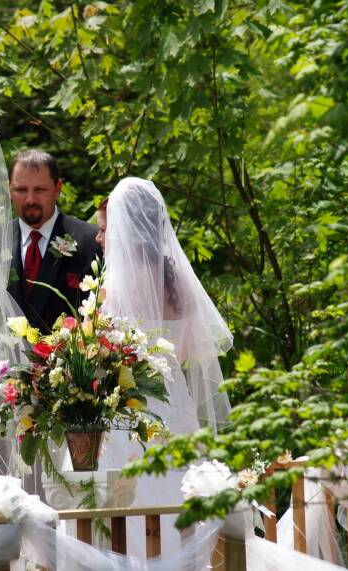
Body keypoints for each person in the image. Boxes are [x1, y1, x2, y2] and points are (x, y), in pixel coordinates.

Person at [97, 177, 233, 556]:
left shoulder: (115, 286)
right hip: (176, 404)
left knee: (129, 501)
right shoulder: (179, 281)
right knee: (181, 491)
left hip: (131, 411)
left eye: (106, 228)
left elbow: (104, 354)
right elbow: (186, 352)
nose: (101, 237)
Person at [7, 150, 102, 333]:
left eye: (40, 190)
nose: (30, 199)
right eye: (21, 190)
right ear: (9, 189)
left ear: (58, 188)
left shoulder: (91, 241)